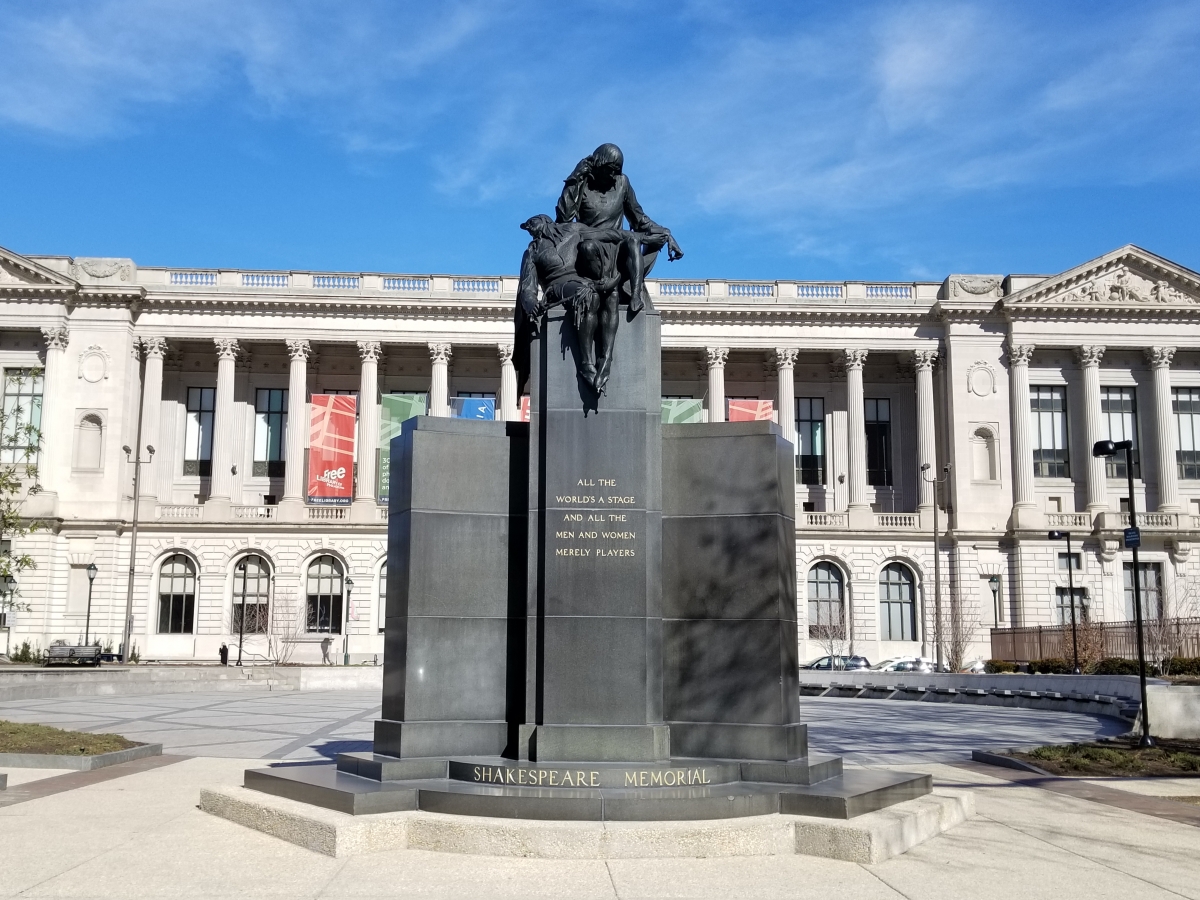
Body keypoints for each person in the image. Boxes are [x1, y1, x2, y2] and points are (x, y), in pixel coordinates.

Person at [555, 142, 683, 313]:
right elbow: (563, 219)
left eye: (617, 170)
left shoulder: (622, 183)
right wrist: (574, 179)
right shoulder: (582, 184)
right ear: (598, 165)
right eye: (610, 169)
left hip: (618, 247)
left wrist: (666, 233)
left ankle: (635, 297)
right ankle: (603, 291)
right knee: (588, 247)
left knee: (632, 241)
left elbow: (639, 220)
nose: (614, 175)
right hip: (592, 248)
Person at [514, 215, 631, 395]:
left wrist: (643, 237)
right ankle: (586, 362)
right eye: (527, 227)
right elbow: (527, 287)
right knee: (589, 296)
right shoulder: (532, 251)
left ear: (544, 221)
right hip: (556, 288)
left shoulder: (573, 230)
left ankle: (606, 358)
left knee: (609, 294)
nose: (529, 229)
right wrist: (531, 303)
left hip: (582, 281)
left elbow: (607, 234)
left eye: (531, 224)